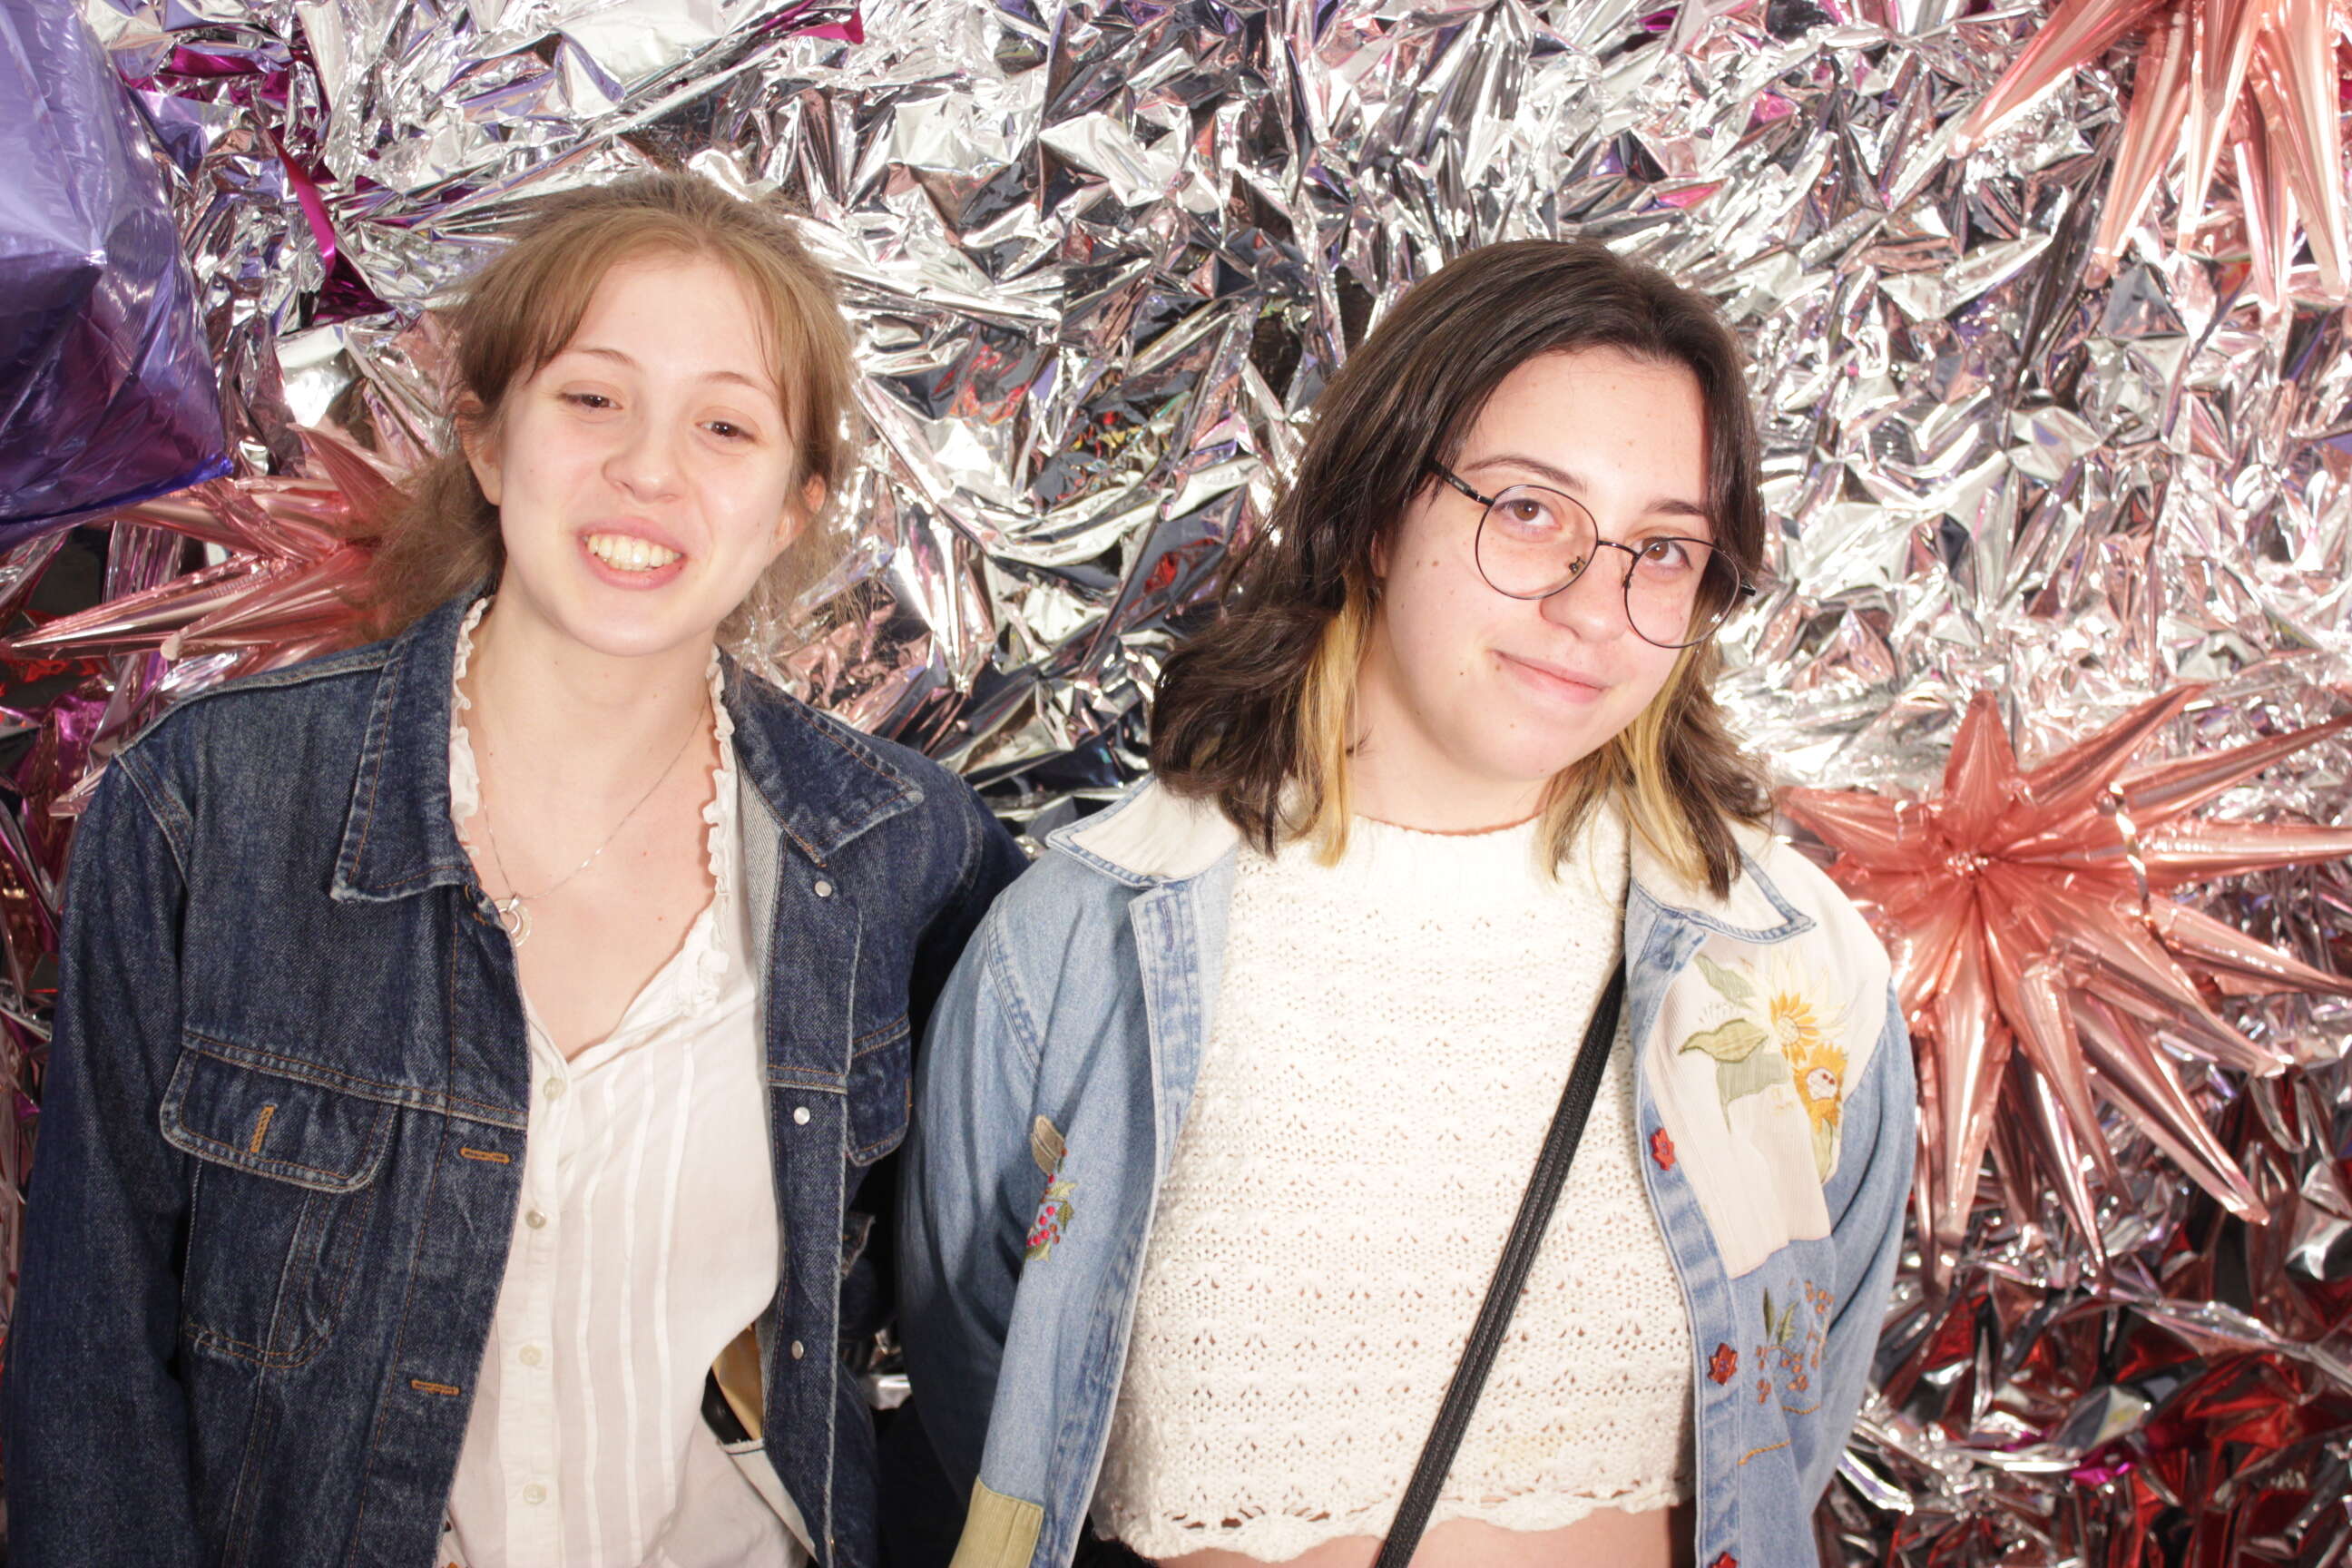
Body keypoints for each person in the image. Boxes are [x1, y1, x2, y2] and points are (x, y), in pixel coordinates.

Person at [3, 172, 1024, 1568]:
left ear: (794, 507)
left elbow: (1009, 1339)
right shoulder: (211, 807)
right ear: (486, 441)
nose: (649, 471)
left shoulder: (908, 855)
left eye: (726, 425)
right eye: (593, 398)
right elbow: (93, 1375)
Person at [900, 240, 1916, 1568]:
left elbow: (1798, 1420)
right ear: (1379, 514)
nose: (1593, 608)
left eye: (1664, 549)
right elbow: (988, 1408)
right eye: (1531, 510)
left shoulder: (1790, 962)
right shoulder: (1082, 945)